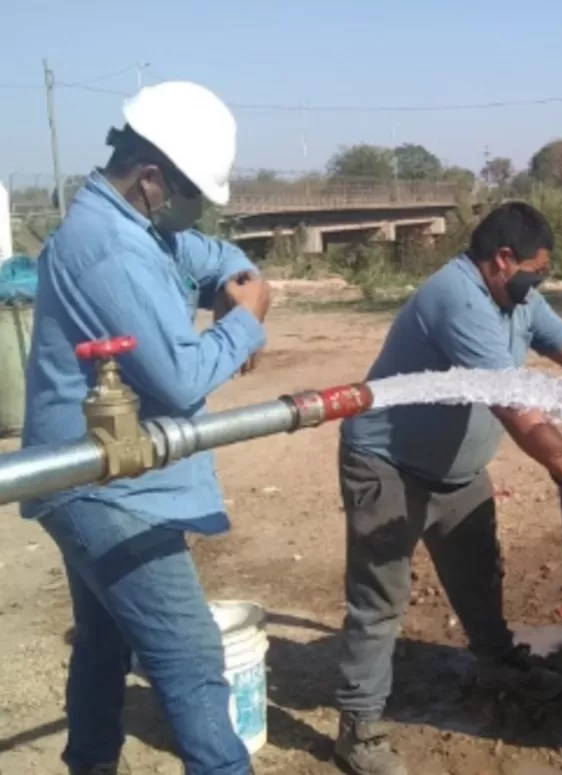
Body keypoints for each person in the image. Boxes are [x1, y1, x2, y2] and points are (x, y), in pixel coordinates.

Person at [334, 202, 562, 775]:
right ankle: (359, 727)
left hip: (457, 472)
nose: (539, 280)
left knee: (479, 577)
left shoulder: (517, 298)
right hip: (388, 466)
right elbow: (515, 406)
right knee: (380, 604)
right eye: (536, 269)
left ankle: (497, 663)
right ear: (502, 259)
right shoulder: (459, 299)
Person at [21, 82, 271, 775]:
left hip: (106, 475)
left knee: (103, 644)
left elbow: (213, 256)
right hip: (106, 487)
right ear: (153, 178)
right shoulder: (111, 251)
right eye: (192, 191)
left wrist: (238, 286)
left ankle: (90, 764)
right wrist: (247, 320)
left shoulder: (140, 229)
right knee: (192, 659)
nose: (195, 209)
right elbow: (181, 377)